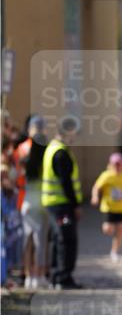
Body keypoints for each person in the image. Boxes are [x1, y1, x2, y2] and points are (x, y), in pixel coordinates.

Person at [41, 116, 83, 290]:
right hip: (62, 205)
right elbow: (66, 183)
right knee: (66, 239)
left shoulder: (53, 148)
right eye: (74, 133)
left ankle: (56, 275)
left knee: (58, 239)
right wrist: (76, 205)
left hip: (54, 204)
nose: (75, 137)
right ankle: (63, 277)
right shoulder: (61, 153)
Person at [16, 116, 48, 289]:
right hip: (42, 200)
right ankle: (40, 274)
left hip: (26, 199)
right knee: (40, 242)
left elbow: (17, 175)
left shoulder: (22, 149)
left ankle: (28, 276)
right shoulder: (46, 149)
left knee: (27, 241)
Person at [91, 153, 122, 263]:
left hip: (121, 208)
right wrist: (95, 196)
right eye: (115, 164)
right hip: (108, 207)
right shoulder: (106, 176)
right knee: (108, 229)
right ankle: (111, 230)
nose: (117, 166)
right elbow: (96, 187)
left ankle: (114, 251)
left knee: (121, 230)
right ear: (110, 165)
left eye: (119, 164)